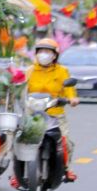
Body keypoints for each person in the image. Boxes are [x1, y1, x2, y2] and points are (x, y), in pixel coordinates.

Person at [24, 38, 80, 182]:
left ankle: (67, 169)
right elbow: (20, 89)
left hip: (55, 115)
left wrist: (72, 99)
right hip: (33, 115)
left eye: (47, 51)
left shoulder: (62, 71)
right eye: (41, 51)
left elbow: (69, 90)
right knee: (21, 141)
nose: (44, 54)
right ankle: (18, 174)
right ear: (36, 54)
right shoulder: (29, 71)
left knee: (65, 142)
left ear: (55, 55)